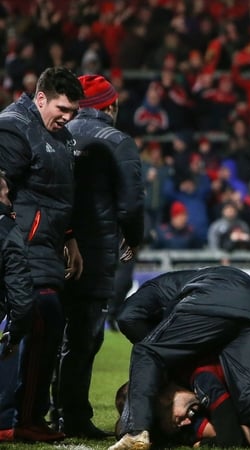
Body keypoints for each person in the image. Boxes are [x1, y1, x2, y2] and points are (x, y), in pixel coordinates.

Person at [110, 268, 250, 450]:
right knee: (249, 396)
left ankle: (135, 431)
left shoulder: (156, 298)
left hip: (208, 300)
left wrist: (170, 359)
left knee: (146, 351)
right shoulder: (230, 284)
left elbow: (128, 318)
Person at [52, 74, 145, 439]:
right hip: (94, 250)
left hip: (50, 244)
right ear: (110, 106)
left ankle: (37, 411)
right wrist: (133, 239)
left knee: (48, 332)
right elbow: (131, 203)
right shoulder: (117, 141)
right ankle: (72, 416)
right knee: (84, 336)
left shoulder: (55, 134)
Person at [0, 67, 84, 442]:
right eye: (62, 108)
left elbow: (56, 195)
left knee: (47, 322)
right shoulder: (15, 127)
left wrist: (70, 239)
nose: (67, 117)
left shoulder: (62, 137)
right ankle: (20, 417)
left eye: (74, 111)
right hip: (21, 246)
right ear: (40, 99)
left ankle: (26, 416)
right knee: (38, 317)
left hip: (47, 246)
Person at [0, 170, 36, 443]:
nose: (9, 198)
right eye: (4, 192)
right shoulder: (7, 230)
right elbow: (21, 297)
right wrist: (14, 333)